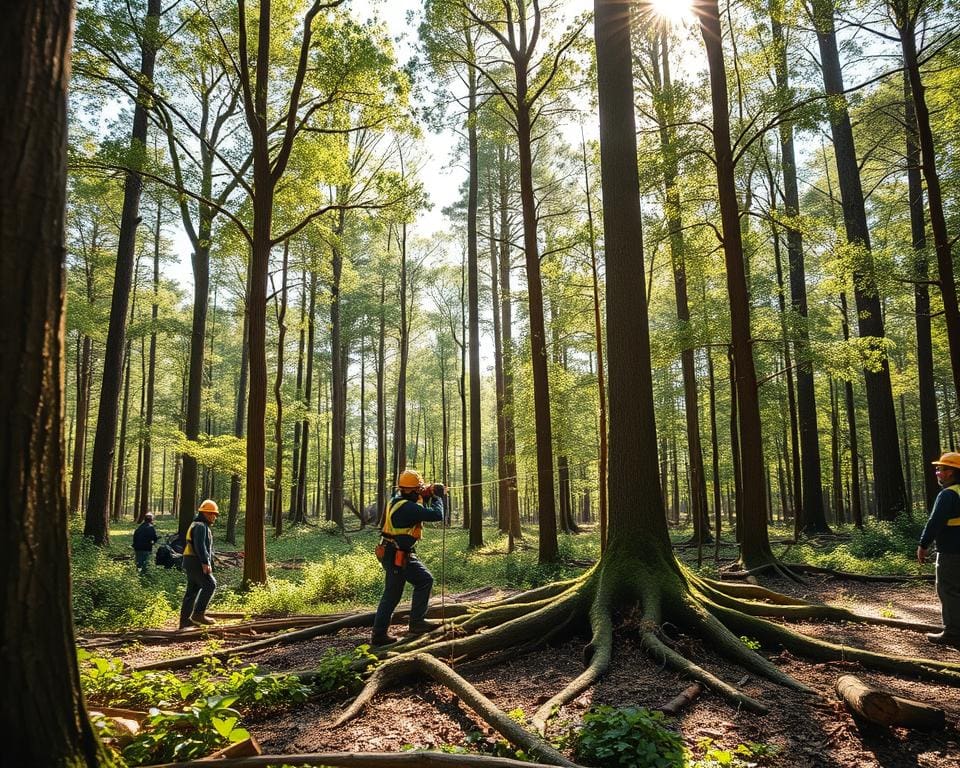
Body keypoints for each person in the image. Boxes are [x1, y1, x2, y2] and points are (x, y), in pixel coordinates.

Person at [371, 469, 445, 646]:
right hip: (397, 553)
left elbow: (418, 504)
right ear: (411, 490)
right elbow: (436, 515)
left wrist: (426, 493)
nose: (421, 491)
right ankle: (416, 623)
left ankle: (380, 634)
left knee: (393, 593)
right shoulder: (408, 508)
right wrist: (437, 497)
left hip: (392, 551)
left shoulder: (398, 499)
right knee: (423, 581)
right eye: (418, 489)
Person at [918, 452, 960, 647]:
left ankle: (952, 633)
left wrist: (923, 544)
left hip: (952, 552)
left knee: (948, 589)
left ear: (950, 472)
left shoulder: (947, 495)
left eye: (940, 469)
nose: (937, 473)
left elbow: (935, 522)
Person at [179, 499, 219, 630]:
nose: (215, 517)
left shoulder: (198, 524)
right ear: (206, 514)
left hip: (190, 560)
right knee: (210, 584)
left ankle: (184, 622)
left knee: (192, 591)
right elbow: (200, 546)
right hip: (196, 560)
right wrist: (205, 562)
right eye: (213, 514)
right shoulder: (201, 526)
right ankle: (198, 614)